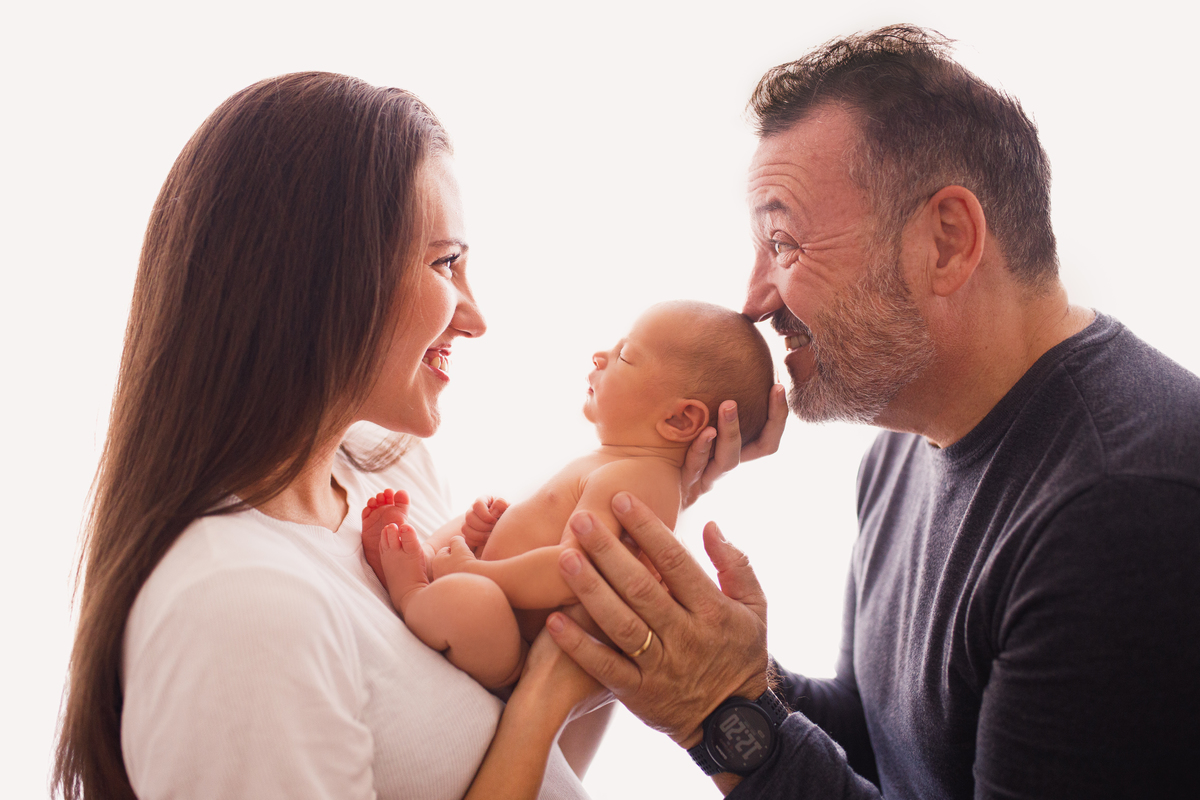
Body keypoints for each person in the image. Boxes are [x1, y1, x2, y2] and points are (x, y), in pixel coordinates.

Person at [544, 25, 1200, 799]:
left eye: (783, 242)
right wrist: (718, 663)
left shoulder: (1121, 508)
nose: (753, 300)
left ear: (947, 241)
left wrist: (721, 711)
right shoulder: (904, 447)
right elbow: (883, 747)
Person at [53, 71, 620, 800]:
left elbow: (526, 775)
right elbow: (523, 735)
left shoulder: (389, 474)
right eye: (446, 263)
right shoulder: (240, 607)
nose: (475, 317)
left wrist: (593, 628)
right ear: (321, 277)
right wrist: (541, 698)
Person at [360, 301, 775, 690]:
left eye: (625, 356)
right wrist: (492, 529)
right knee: (480, 520)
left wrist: (479, 572)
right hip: (497, 586)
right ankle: (427, 554)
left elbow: (571, 573)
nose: (600, 356)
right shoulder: (616, 464)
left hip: (512, 650)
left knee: (475, 604)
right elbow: (550, 531)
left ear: (679, 418)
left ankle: (412, 590)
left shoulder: (640, 481)